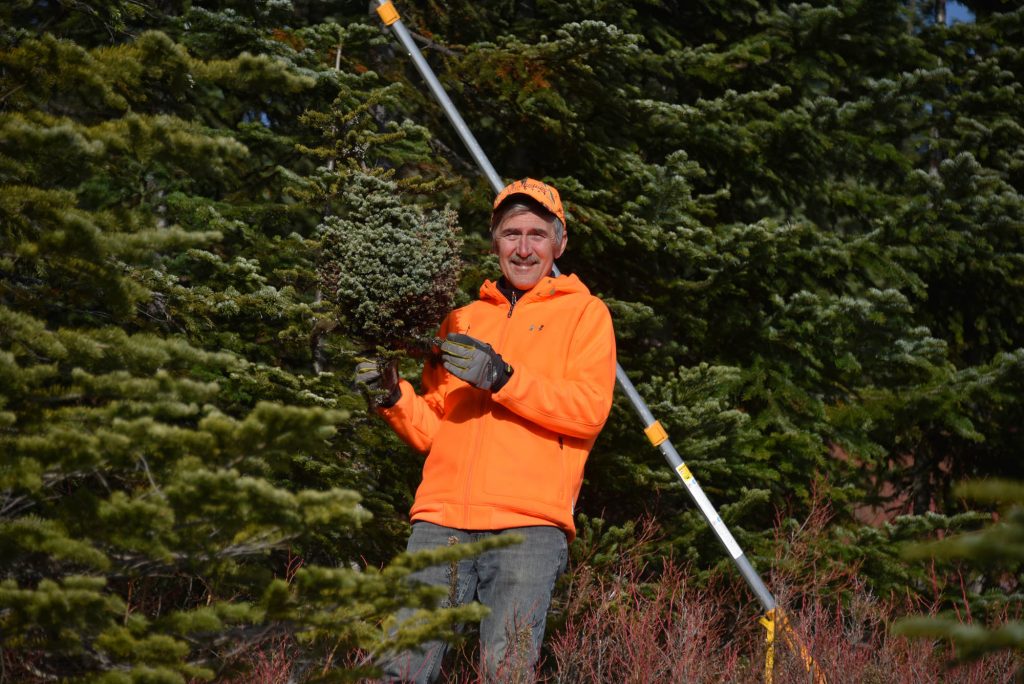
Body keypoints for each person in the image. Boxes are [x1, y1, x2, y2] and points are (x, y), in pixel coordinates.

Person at [356, 178, 616, 682]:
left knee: (506, 673)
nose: (523, 249)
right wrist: (393, 397)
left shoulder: (585, 314)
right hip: (440, 522)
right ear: (494, 240)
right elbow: (435, 428)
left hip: (528, 527)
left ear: (559, 243)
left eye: (537, 235)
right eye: (511, 233)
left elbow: (588, 410)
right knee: (396, 667)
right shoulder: (461, 319)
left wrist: (504, 379)